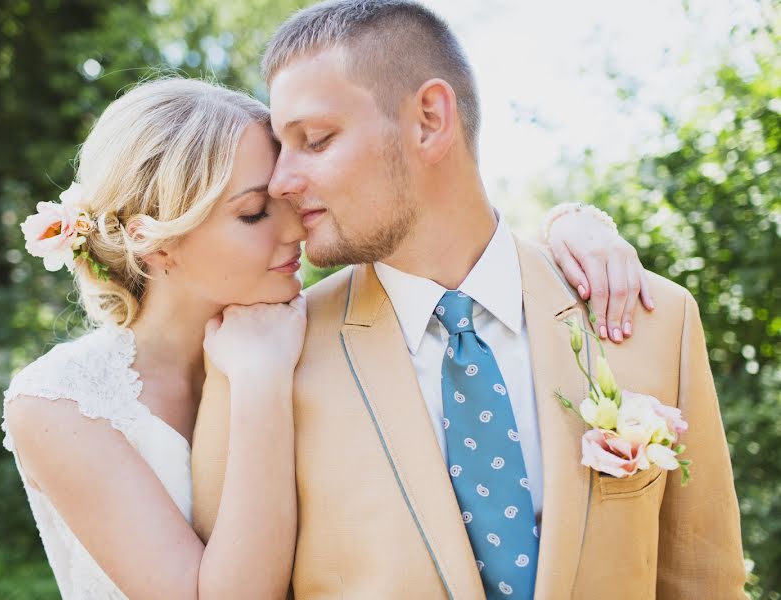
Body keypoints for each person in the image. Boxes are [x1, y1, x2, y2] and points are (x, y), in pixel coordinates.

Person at [191, 2, 747, 599]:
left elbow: (703, 583)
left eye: (316, 140)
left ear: (429, 119)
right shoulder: (263, 359)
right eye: (282, 148)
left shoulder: (653, 322)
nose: (281, 181)